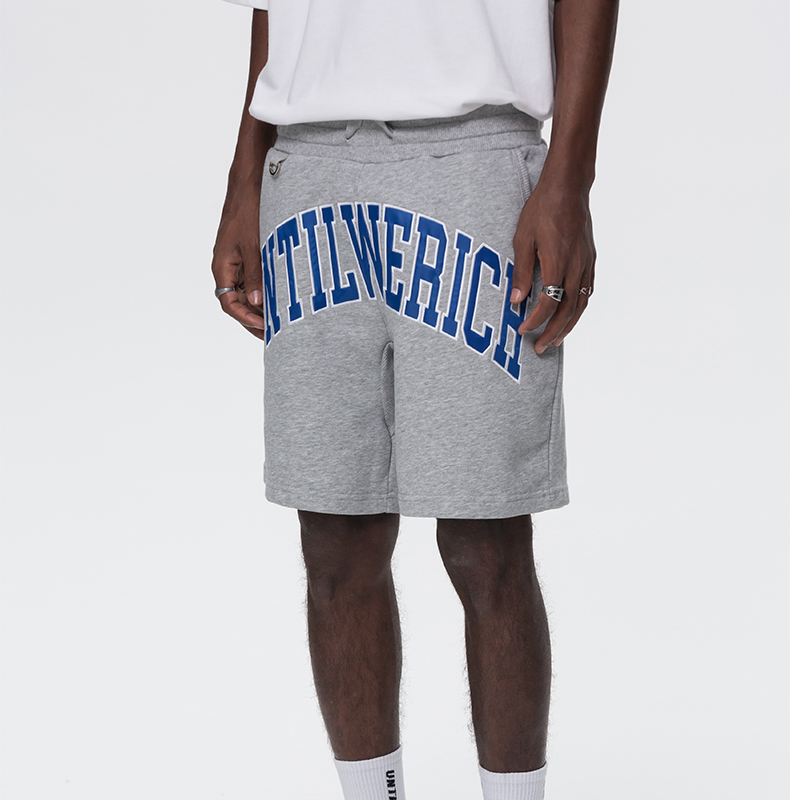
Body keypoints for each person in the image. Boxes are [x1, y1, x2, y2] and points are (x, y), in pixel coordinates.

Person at [211, 1, 618, 797]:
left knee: (485, 538)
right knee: (335, 536)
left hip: (475, 155)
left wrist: (570, 178)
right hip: (308, 160)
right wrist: (243, 176)